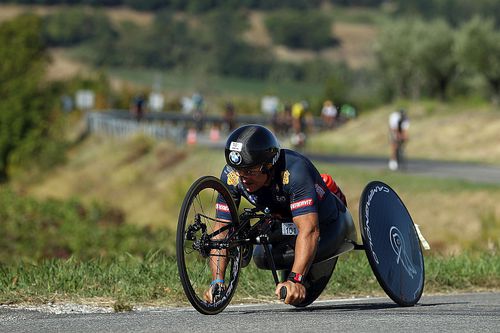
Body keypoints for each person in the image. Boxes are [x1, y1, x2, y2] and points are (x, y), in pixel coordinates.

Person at [205, 124, 349, 305]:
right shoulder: (232, 175)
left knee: (297, 296)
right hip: (282, 218)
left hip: (326, 222)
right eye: (238, 170)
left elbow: (310, 230)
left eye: (249, 171)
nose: (243, 178)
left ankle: (329, 187)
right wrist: (217, 282)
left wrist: (295, 279)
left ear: (269, 166)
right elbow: (221, 229)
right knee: (261, 258)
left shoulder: (295, 171)